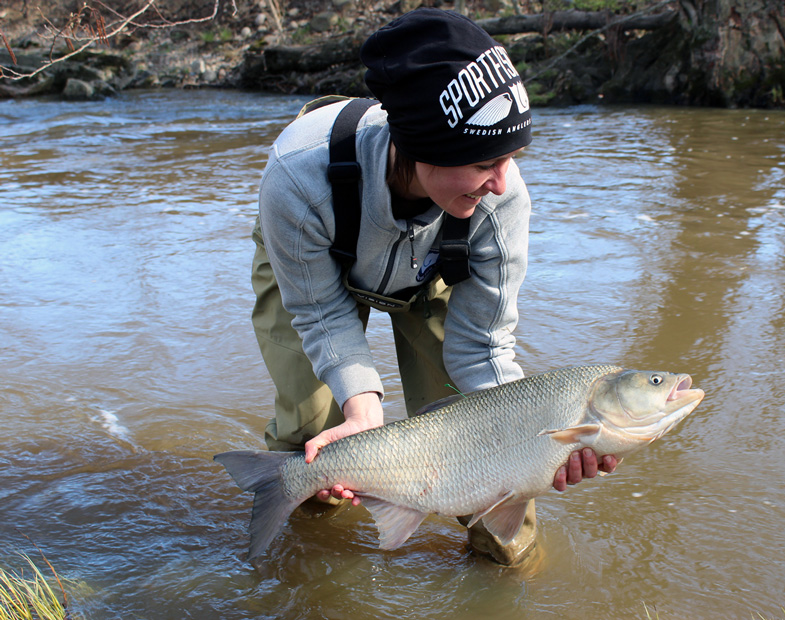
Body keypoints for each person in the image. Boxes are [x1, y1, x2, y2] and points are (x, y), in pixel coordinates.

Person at [250, 7, 616, 565]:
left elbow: (485, 348)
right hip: (316, 271)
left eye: (512, 158)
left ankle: (503, 565)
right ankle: (307, 547)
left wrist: (535, 445)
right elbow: (321, 312)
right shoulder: (297, 175)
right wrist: (362, 414)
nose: (502, 182)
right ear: (421, 148)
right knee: (313, 445)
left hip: (437, 270)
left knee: (486, 458)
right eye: (485, 162)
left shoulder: (499, 198)